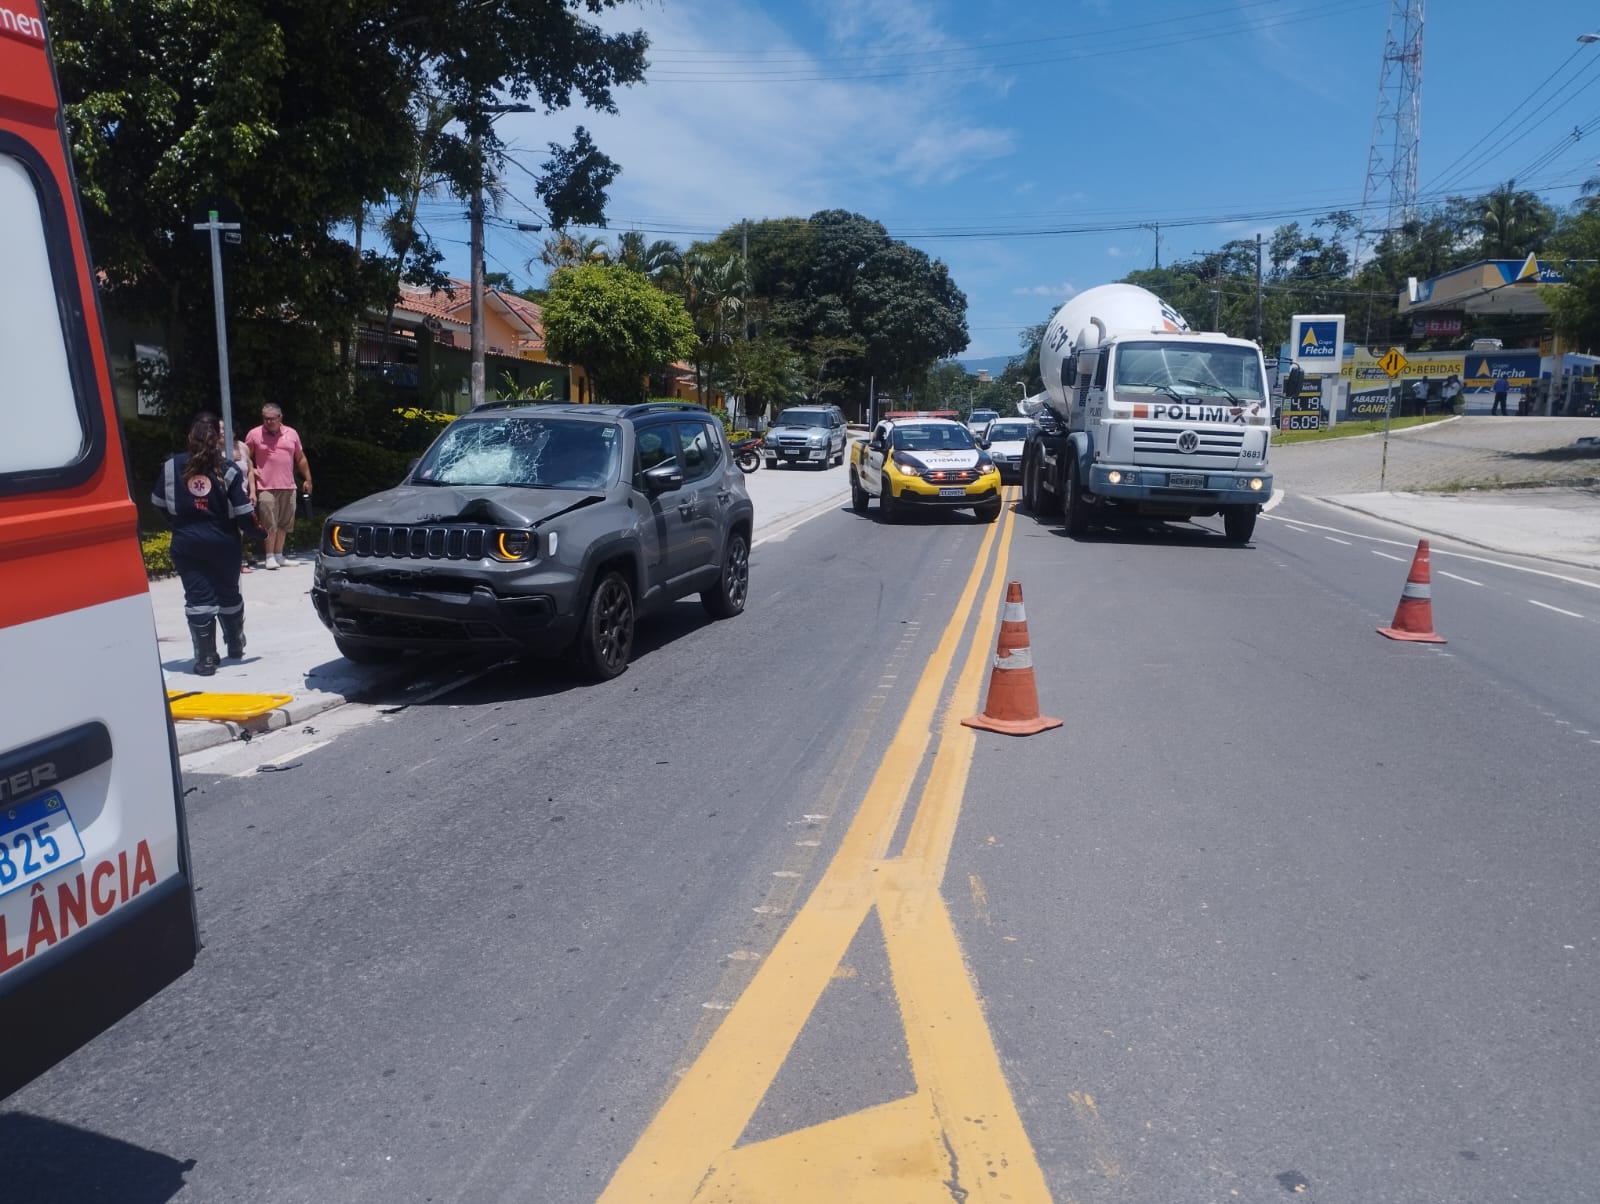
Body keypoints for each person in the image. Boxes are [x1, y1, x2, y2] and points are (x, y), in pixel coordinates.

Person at [152, 413, 261, 675]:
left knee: (198, 598)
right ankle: (235, 644)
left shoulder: (170, 467)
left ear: (190, 438)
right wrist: (259, 534)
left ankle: (206, 659)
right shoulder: (228, 469)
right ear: (216, 441)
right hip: (224, 542)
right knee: (228, 592)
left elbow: (157, 504)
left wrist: (180, 524)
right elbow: (245, 513)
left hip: (187, 542)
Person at [244, 403, 312, 568]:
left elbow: (300, 458)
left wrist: (308, 479)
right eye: (265, 419)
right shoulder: (254, 434)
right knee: (269, 522)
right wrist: (252, 468)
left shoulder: (292, 433)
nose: (268, 422)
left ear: (280, 418)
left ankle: (279, 555)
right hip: (265, 486)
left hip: (288, 485)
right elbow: (244, 455)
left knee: (284, 523)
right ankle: (269, 557)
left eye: (272, 419)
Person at [224, 420, 261, 572]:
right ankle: (227, 562)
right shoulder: (213, 450)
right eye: (219, 429)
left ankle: (237, 561)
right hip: (223, 496)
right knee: (226, 529)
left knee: (240, 530)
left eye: (225, 429)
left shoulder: (243, 447)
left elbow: (250, 471)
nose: (223, 433)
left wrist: (252, 491)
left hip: (242, 494)